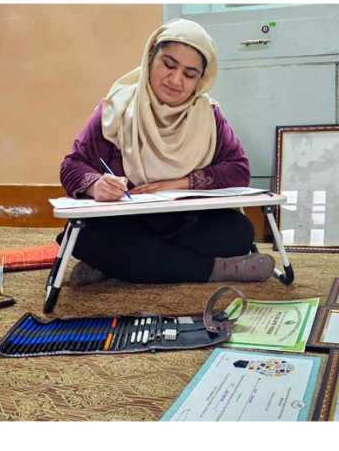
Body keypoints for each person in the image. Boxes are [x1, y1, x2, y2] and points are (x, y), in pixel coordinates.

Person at [59, 19, 274, 285]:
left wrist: (177, 183)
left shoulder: (207, 116)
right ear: (151, 57)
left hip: (186, 223)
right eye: (169, 65)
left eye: (189, 74)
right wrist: (95, 185)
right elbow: (72, 165)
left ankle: (117, 264)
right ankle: (214, 270)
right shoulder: (117, 108)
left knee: (239, 232)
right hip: (126, 222)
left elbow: (238, 169)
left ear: (201, 80)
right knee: (80, 235)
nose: (175, 80)